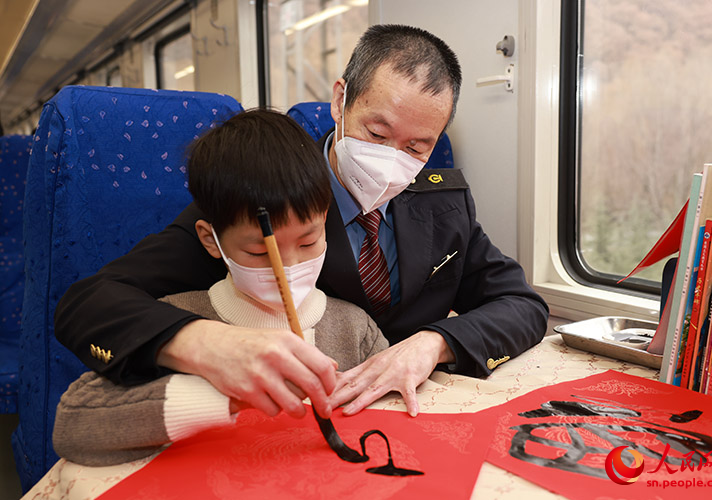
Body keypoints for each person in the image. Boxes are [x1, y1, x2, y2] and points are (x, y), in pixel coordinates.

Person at [55, 24, 549, 419]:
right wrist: (206, 344)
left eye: (417, 147)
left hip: (408, 414)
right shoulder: (267, 193)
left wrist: (432, 344)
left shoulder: (444, 203)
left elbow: (522, 305)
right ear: (340, 101)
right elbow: (87, 306)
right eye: (377, 133)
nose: (392, 161)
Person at [52, 108, 388, 466]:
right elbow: (73, 429)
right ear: (210, 241)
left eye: (308, 243)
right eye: (261, 251)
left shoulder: (355, 329)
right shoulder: (175, 317)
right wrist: (225, 393)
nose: (287, 268)